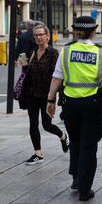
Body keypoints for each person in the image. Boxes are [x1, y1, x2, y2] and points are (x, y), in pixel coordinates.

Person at [46, 16, 102, 202]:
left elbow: (56, 78)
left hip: (70, 105)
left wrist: (50, 100)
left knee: (75, 141)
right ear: (93, 32)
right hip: (93, 105)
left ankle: (76, 178)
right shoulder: (101, 53)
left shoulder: (66, 51)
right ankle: (85, 189)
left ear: (76, 31)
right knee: (89, 145)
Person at [18, 25, 69, 165]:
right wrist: (22, 62)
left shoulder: (53, 53)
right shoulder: (32, 51)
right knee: (33, 124)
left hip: (46, 95)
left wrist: (53, 98)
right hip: (31, 93)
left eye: (41, 34)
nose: (39, 37)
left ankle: (63, 135)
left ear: (47, 36)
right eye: (36, 35)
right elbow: (25, 69)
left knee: (47, 125)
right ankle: (38, 153)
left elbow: (58, 76)